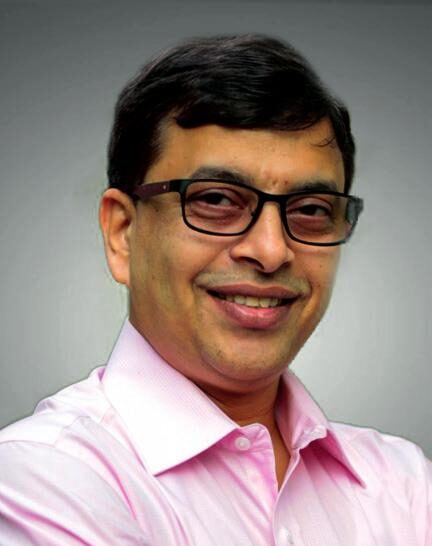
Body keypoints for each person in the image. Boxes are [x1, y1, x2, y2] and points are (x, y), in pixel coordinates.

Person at [0, 34, 430, 546]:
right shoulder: (40, 478)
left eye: (312, 209)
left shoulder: (403, 483)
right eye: (217, 200)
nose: (271, 250)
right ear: (123, 233)